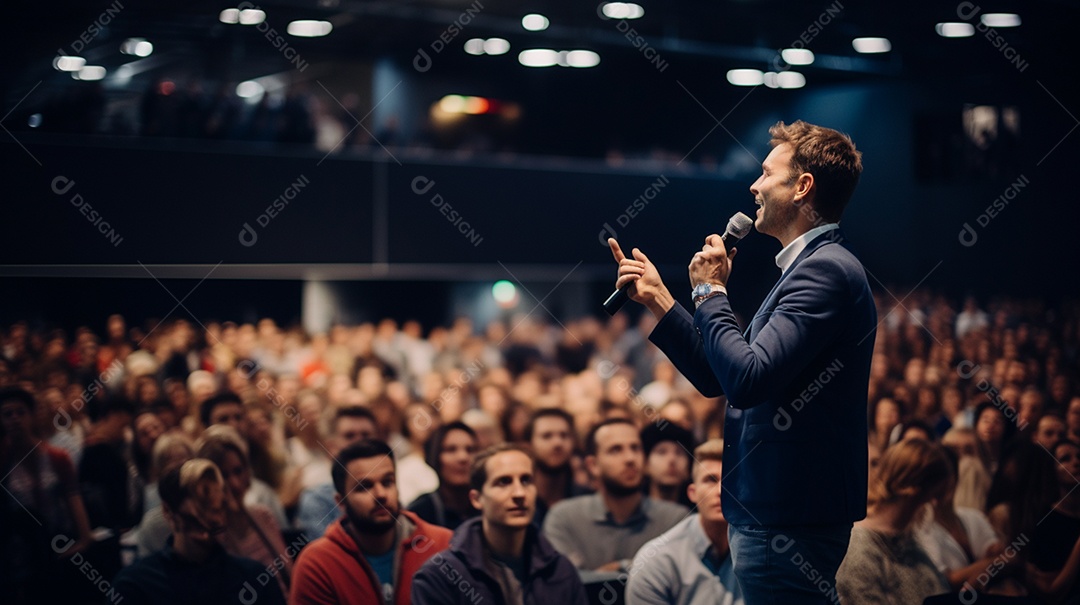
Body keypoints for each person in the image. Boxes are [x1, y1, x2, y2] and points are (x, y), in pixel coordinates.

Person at [610, 120, 874, 602]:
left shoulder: (824, 271)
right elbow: (720, 375)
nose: (753, 185)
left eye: (766, 172)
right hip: (777, 513)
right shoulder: (807, 269)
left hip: (785, 516)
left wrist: (710, 291)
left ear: (802, 186)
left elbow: (747, 380)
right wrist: (661, 301)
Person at [411, 444, 587, 605]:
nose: (519, 493)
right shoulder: (441, 576)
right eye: (503, 482)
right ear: (477, 499)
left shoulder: (559, 570)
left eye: (526, 480)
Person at [290, 439, 452, 605]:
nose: (380, 494)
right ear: (341, 502)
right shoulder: (317, 564)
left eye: (387, 482)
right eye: (364, 487)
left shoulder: (441, 544)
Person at [112, 459, 286, 605]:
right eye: (194, 517)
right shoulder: (135, 587)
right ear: (168, 512)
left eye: (213, 509)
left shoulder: (255, 578)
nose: (204, 525)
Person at [542, 418, 686, 571]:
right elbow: (566, 585)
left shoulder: (675, 520)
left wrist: (620, 567)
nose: (630, 459)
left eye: (635, 448)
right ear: (593, 465)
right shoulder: (565, 518)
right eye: (616, 450)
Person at [625, 439, 744, 605]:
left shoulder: (758, 554)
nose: (720, 491)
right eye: (710, 480)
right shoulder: (657, 561)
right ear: (692, 493)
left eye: (730, 481)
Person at [835, 439, 950, 604]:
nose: (936, 504)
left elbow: (938, 591)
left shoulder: (907, 541)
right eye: (935, 495)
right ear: (915, 490)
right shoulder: (858, 547)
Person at [294, 405, 379, 538]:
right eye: (349, 436)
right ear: (331, 447)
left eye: (366, 435)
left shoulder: (386, 489)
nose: (360, 443)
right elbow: (325, 554)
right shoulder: (316, 500)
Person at [525, 408, 591, 526]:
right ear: (529, 445)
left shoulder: (587, 499)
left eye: (564, 435)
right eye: (546, 436)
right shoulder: (521, 500)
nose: (557, 443)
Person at [409, 422, 480, 530]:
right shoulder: (420, 512)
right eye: (451, 449)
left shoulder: (489, 506)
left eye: (470, 450)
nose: (463, 457)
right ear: (435, 457)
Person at [640, 422, 695, 507]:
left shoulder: (696, 516)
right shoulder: (630, 511)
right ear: (646, 464)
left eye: (679, 453)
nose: (672, 460)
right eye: (662, 452)